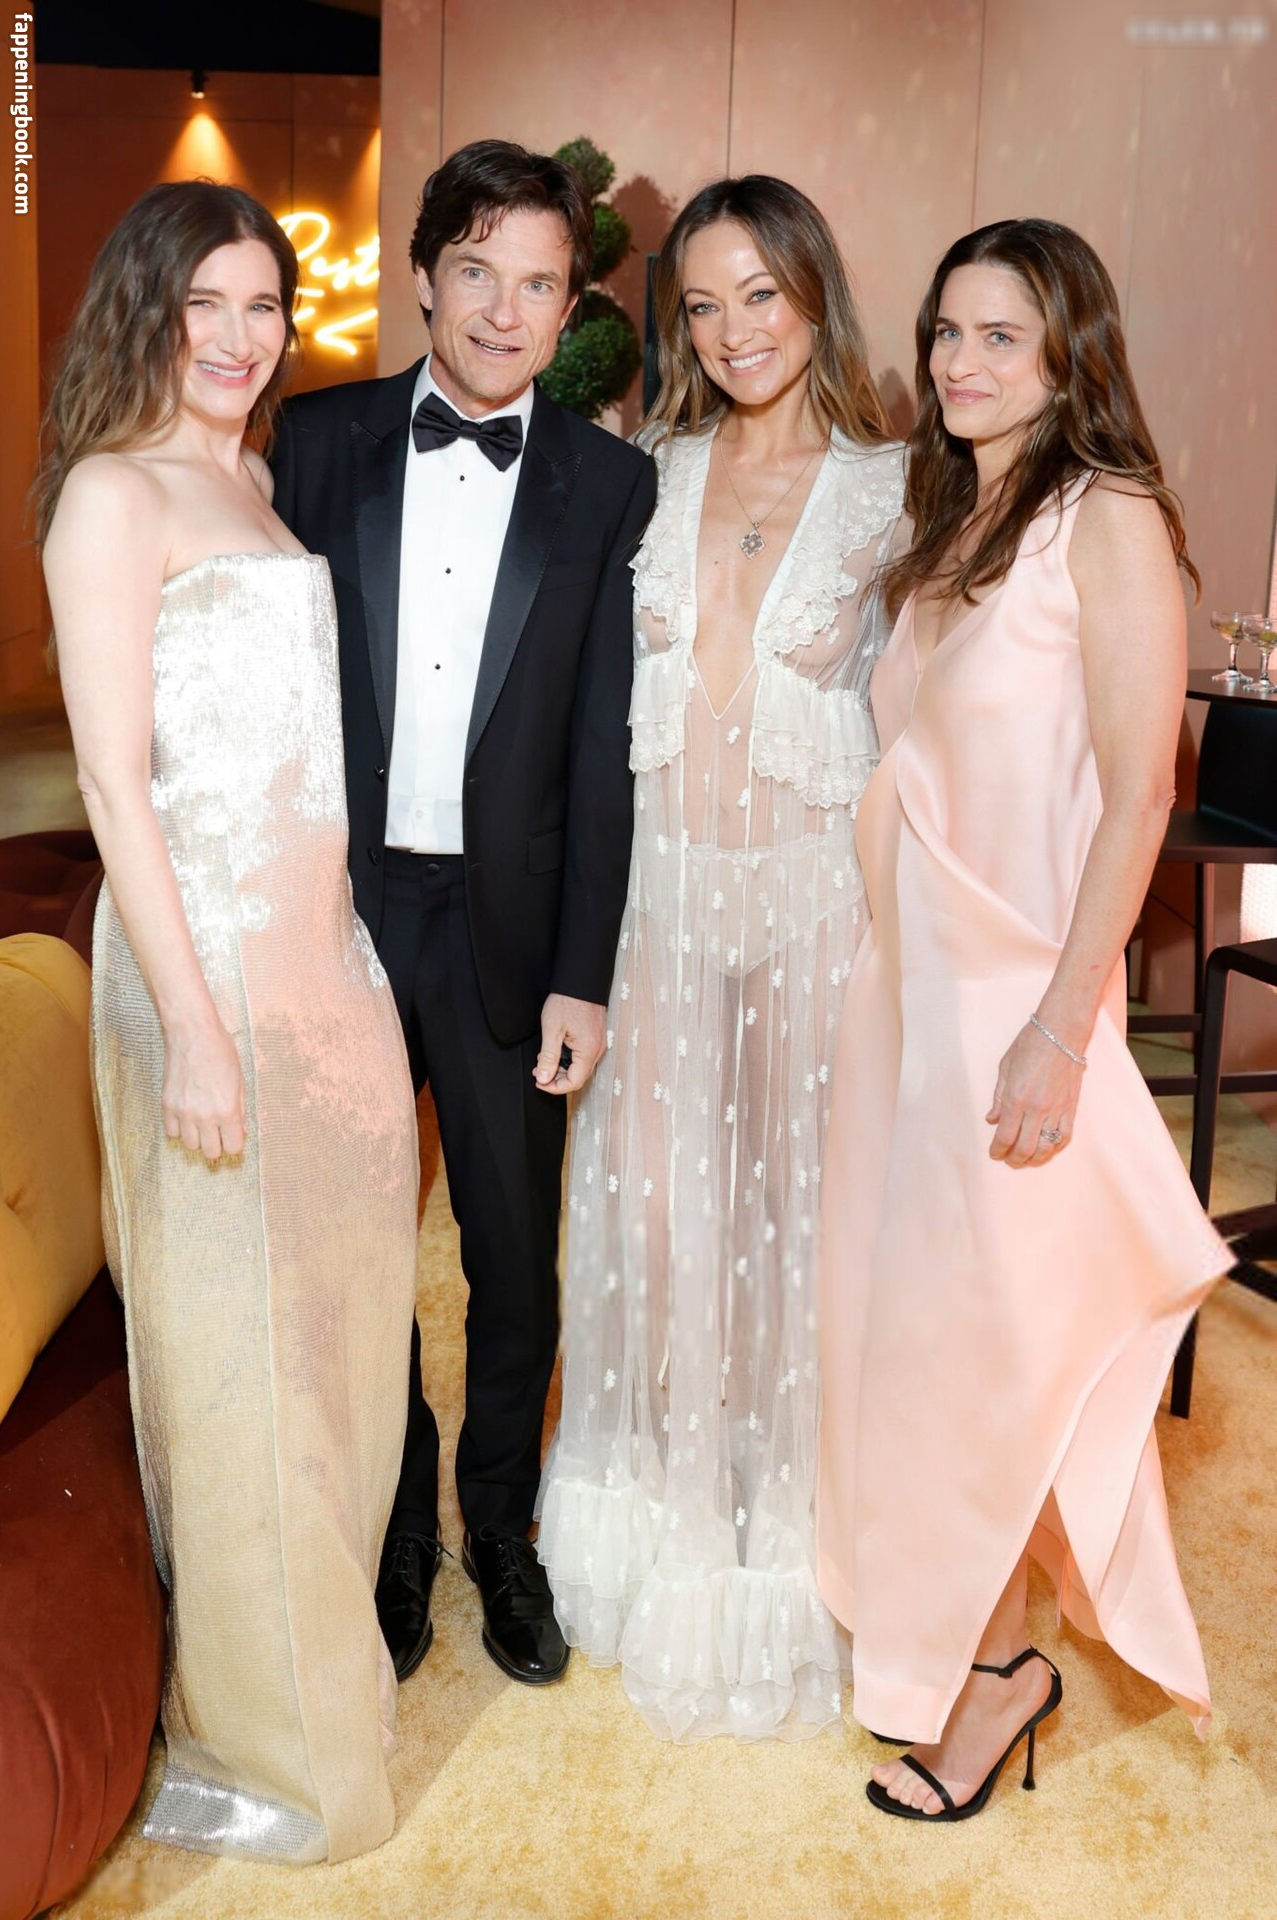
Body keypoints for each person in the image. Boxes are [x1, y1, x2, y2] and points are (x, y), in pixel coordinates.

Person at [816, 217, 1229, 1820]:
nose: (960, 362)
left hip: (1015, 1000)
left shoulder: (1103, 516)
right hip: (911, 993)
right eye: (947, 332)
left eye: (1001, 336)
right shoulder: (958, 516)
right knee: (923, 1342)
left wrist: (1060, 1029)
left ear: (1069, 356)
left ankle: (993, 1677)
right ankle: (987, 1650)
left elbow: (1141, 796)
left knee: (982, 1353)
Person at [38, 181, 419, 1862]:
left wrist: (347, 963)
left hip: (322, 971)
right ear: (146, 305)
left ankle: (320, 1679)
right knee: (236, 1355)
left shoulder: (254, 481)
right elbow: (115, 785)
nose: (242, 334)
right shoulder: (111, 496)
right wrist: (194, 1028)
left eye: (266, 303)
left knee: (341, 1334)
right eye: (207, 300)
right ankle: (276, 1748)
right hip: (203, 978)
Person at [270, 140, 656, 1689]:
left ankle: (499, 1524)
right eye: (477, 271)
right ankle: (392, 1522)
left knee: (511, 1253)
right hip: (341, 917)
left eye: (539, 283)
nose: (505, 310)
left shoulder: (609, 485)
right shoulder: (315, 442)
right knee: (360, 1244)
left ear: (572, 308)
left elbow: (603, 755)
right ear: (423, 274)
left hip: (510, 928)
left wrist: (584, 976)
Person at [536, 176, 905, 1739]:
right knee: (663, 1226)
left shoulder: (902, 489)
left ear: (815, 290)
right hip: (661, 910)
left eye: (762, 293)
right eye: (703, 303)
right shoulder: (647, 471)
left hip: (822, 912)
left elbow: (950, 712)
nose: (735, 330)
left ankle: (796, 1553)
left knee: (802, 1230)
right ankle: (669, 1539)